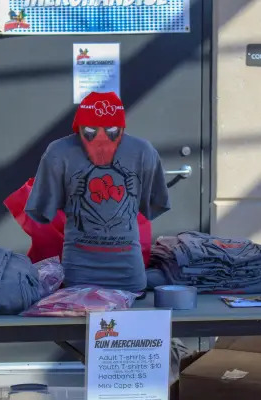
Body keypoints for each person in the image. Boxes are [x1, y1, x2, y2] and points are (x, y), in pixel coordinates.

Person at [25, 91, 170, 292]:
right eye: (91, 130)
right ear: (79, 126)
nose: (101, 138)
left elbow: (155, 205)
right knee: (83, 322)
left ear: (122, 127)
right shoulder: (60, 152)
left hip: (127, 271)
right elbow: (42, 211)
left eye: (111, 129)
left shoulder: (143, 151)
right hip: (79, 270)